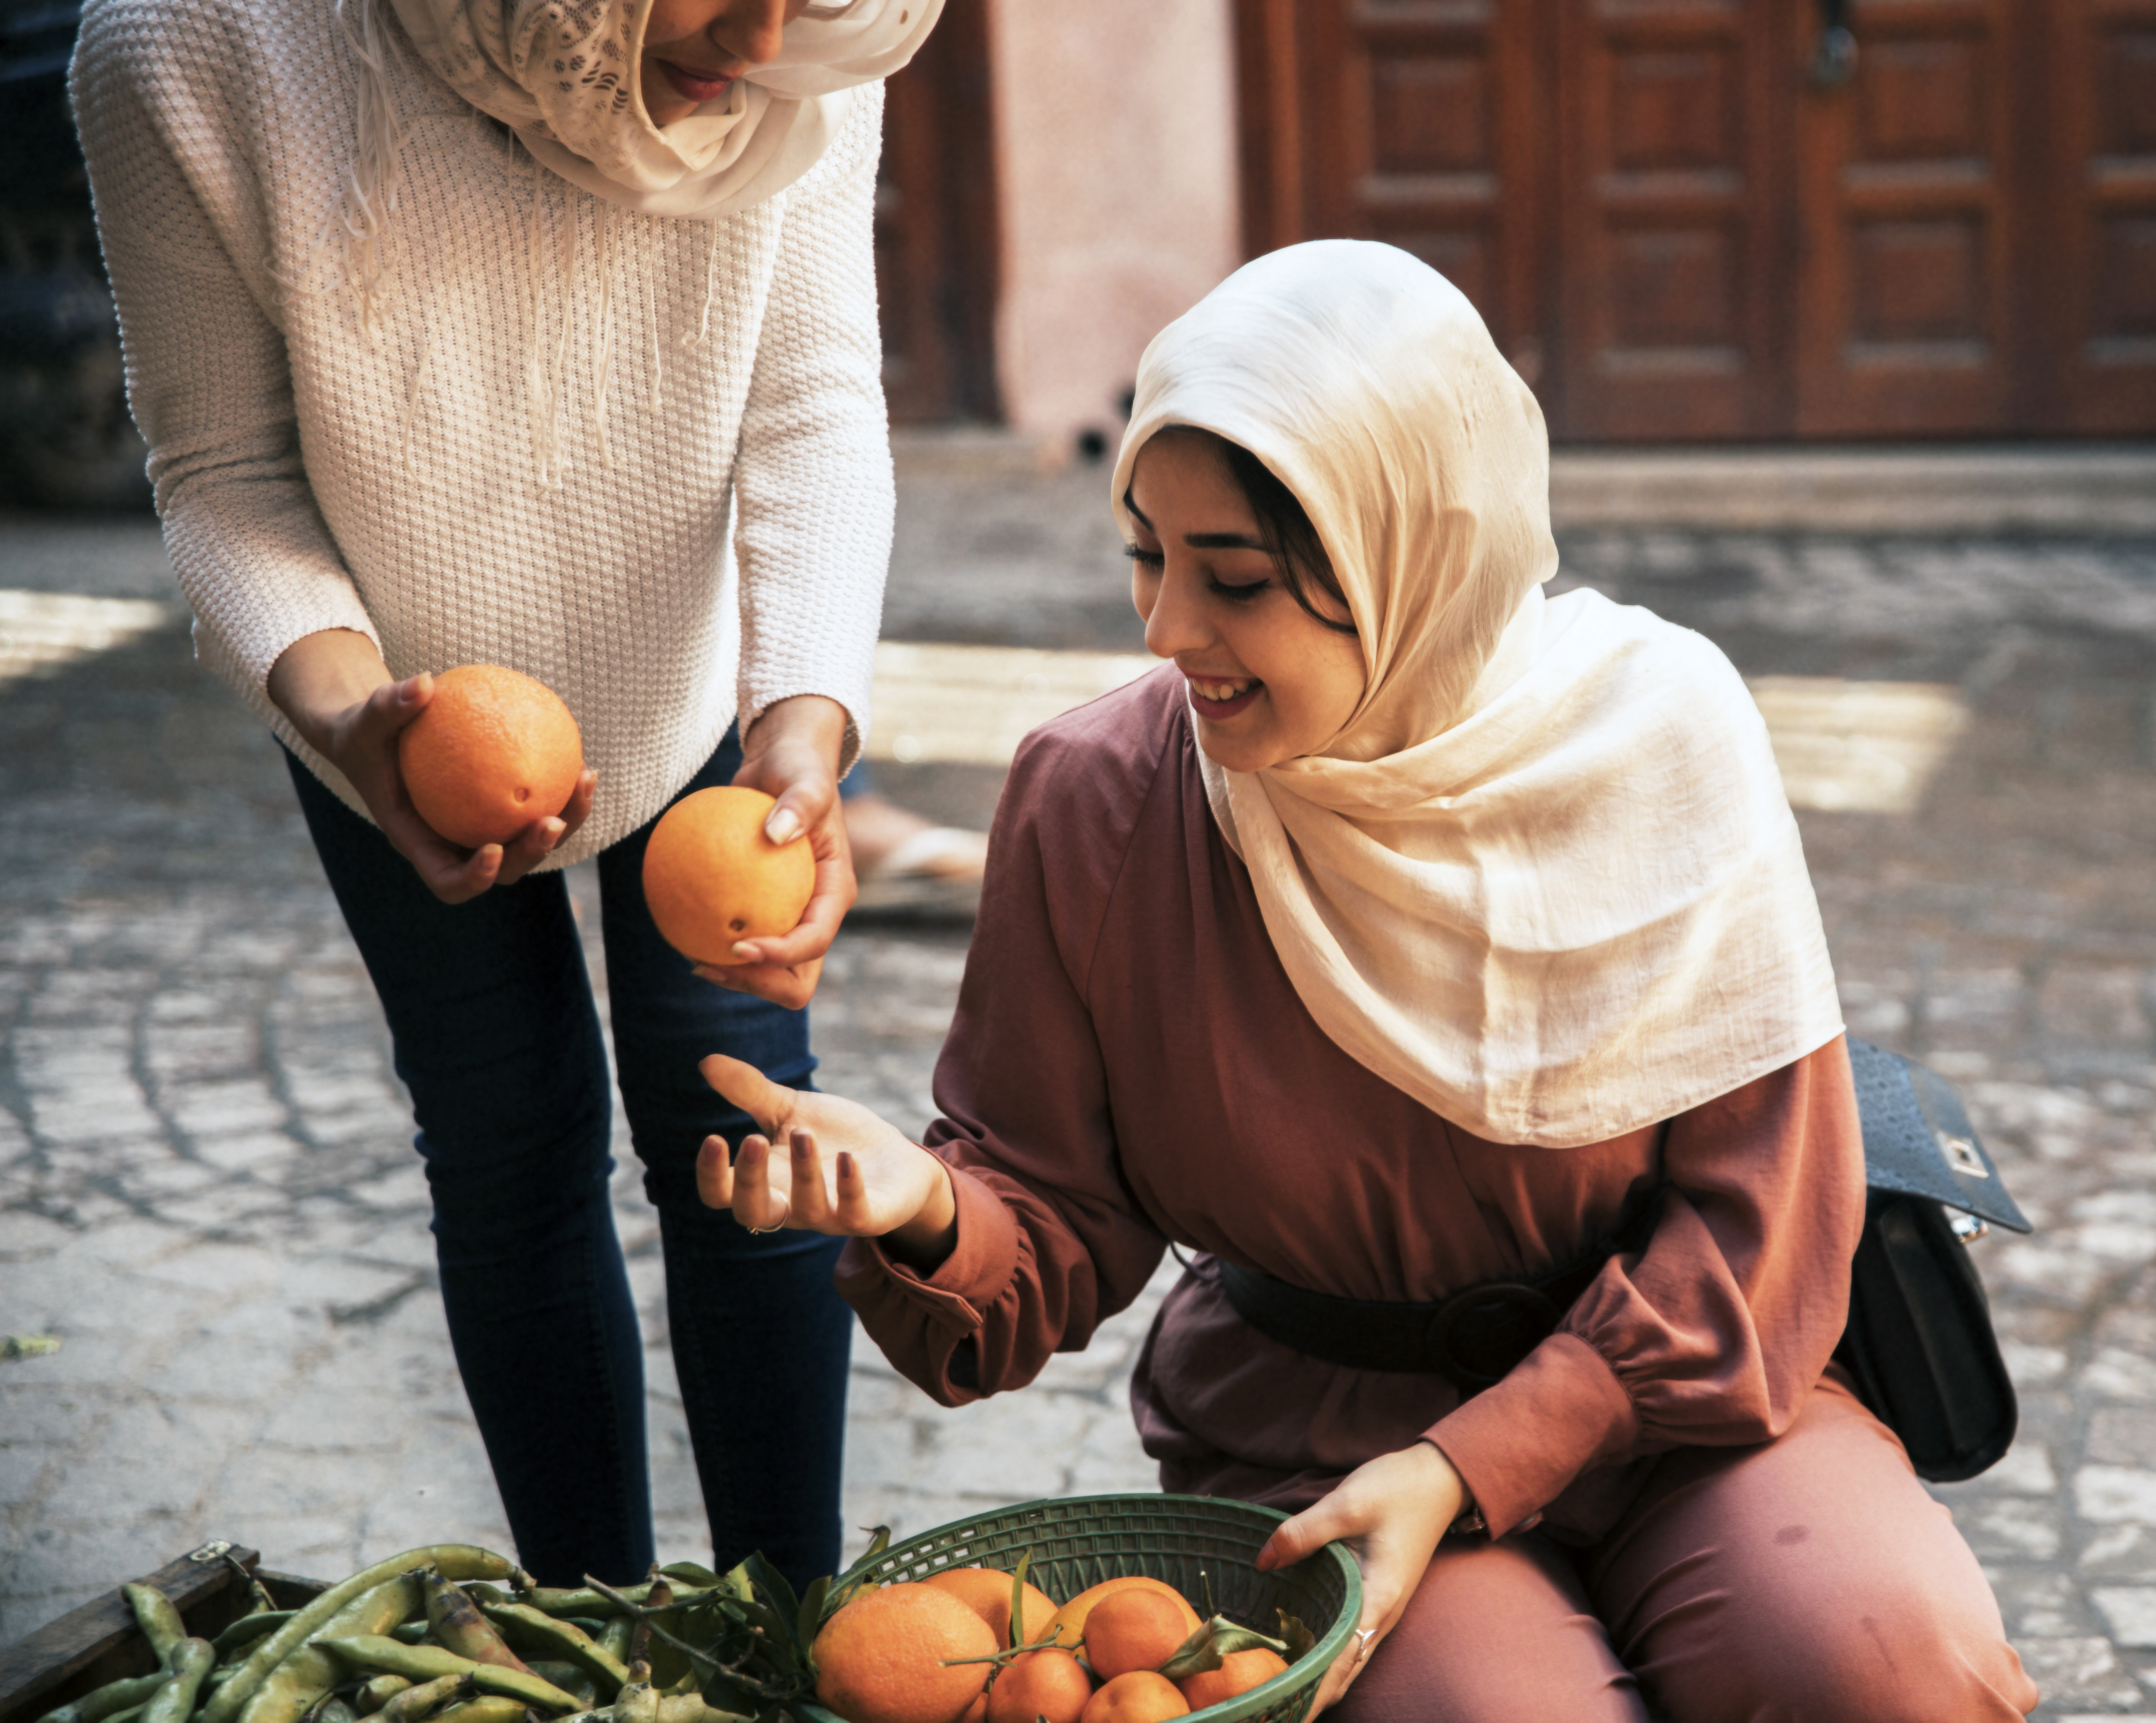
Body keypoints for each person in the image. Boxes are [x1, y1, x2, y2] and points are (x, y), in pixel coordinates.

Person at [694, 241, 2039, 1721]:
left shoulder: (1661, 742)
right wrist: (926, 1203)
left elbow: (1760, 1227)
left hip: (1683, 1402)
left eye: (1238, 581)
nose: (1166, 631)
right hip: (1314, 1437)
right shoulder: (1100, 800)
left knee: (1892, 1667)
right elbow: (1056, 1213)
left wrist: (1479, 1460)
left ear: (1412, 559)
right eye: (1146, 555)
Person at [72, 0, 948, 1589]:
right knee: (507, 1137)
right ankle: (592, 1643)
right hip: (394, 708)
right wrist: (357, 726)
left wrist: (806, 728)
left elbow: (812, 412)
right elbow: (225, 473)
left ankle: (780, 1647)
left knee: (741, 1123)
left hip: (699, 694)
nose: (758, 40)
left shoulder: (817, 46)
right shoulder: (187, 49)